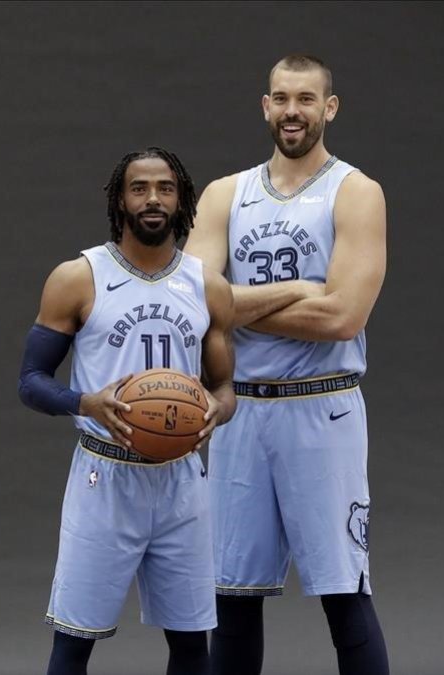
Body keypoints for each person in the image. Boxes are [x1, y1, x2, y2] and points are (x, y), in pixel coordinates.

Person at [185, 54, 389, 675]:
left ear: (329, 108)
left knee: (344, 594)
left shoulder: (355, 192)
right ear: (265, 106)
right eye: (281, 98)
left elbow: (343, 318)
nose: (292, 110)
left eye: (306, 99)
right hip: (240, 411)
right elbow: (190, 301)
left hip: (321, 407)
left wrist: (232, 306)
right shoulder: (226, 193)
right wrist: (301, 289)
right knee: (230, 598)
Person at [19, 147, 237, 675]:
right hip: (105, 475)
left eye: (165, 187)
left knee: (191, 645)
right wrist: (84, 401)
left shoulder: (208, 286)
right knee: (74, 642)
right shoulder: (78, 277)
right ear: (121, 199)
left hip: (182, 479)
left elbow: (226, 389)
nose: (153, 198)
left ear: (180, 198)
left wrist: (214, 411)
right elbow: (30, 381)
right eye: (139, 188)